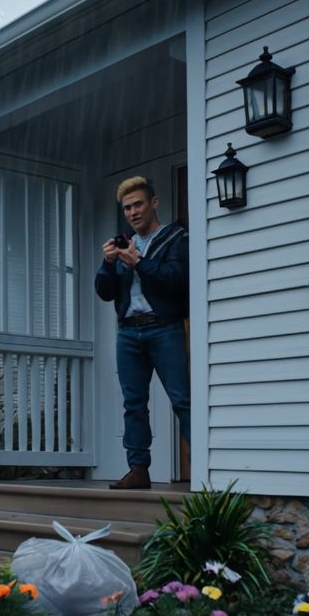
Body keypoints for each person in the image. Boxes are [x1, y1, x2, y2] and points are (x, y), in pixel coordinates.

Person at [95, 176, 190, 490]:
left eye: (138, 204)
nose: (133, 212)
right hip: (128, 332)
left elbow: (176, 281)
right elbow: (105, 293)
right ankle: (138, 470)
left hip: (164, 328)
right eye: (127, 208)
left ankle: (205, 465)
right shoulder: (125, 244)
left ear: (154, 203)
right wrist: (108, 264)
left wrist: (140, 263)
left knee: (182, 399)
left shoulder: (176, 239)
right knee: (133, 404)